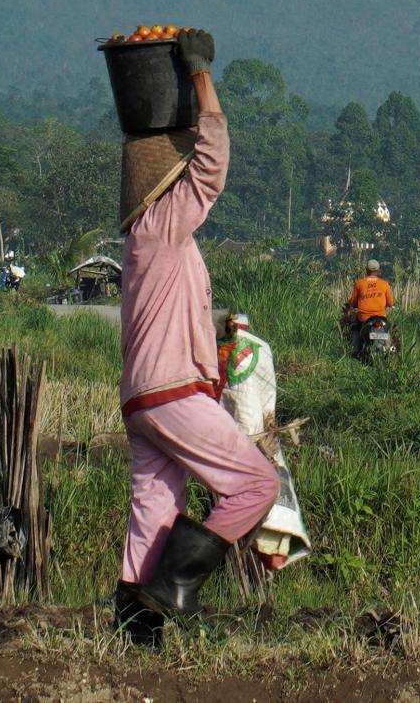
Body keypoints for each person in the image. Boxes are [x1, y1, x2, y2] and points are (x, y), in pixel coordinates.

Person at [112, 43, 279, 646]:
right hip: (172, 392)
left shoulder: (143, 238)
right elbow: (212, 161)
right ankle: (177, 587)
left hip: (145, 398)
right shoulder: (164, 222)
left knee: (152, 514)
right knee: (256, 485)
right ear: (164, 181)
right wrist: (201, 74)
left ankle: (133, 632)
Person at [219, 312, 276, 442]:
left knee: (250, 428)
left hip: (234, 352)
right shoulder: (263, 346)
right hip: (255, 348)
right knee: (265, 418)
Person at [345, 258, 394, 358]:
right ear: (378, 270)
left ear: (366, 270)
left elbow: (353, 301)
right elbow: (390, 302)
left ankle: (355, 351)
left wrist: (352, 306)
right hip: (381, 317)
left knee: (356, 328)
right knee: (388, 329)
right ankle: (389, 348)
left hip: (364, 318)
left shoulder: (360, 283)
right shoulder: (384, 284)